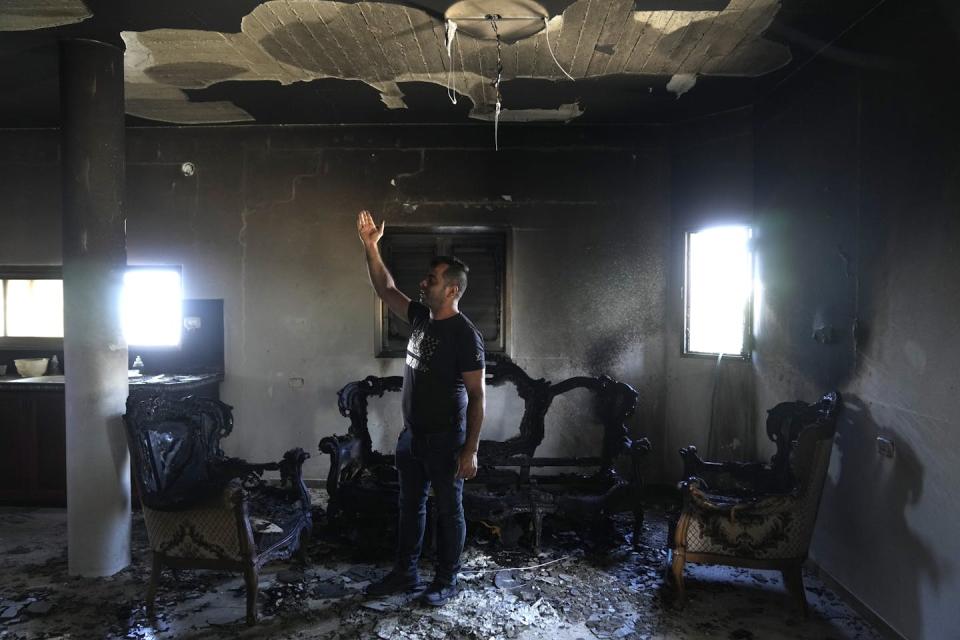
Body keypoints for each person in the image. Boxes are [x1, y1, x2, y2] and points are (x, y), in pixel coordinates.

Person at [357, 210, 486, 607]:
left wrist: (471, 449)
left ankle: (447, 580)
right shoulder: (420, 318)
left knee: (449, 511)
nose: (424, 283)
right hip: (411, 436)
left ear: (451, 290)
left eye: (432, 280)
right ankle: (405, 573)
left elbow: (478, 396)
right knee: (409, 507)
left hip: (447, 440)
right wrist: (370, 247)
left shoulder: (466, 336)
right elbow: (386, 288)